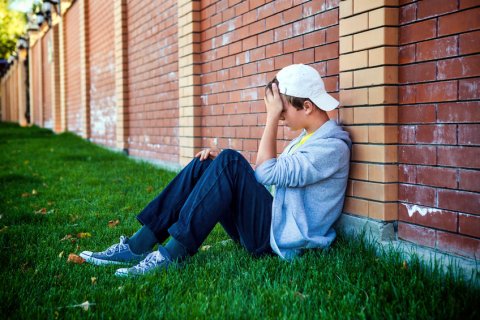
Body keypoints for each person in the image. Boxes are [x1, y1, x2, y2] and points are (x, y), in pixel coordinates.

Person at [80, 64, 351, 277]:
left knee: (230, 162)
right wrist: (224, 167)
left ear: (307, 106)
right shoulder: (307, 138)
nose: (280, 117)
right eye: (277, 114)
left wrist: (268, 118)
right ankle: (137, 245)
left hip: (279, 242)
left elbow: (266, 173)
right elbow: (268, 175)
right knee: (209, 163)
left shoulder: (330, 149)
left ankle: (170, 256)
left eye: (283, 112)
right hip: (271, 226)